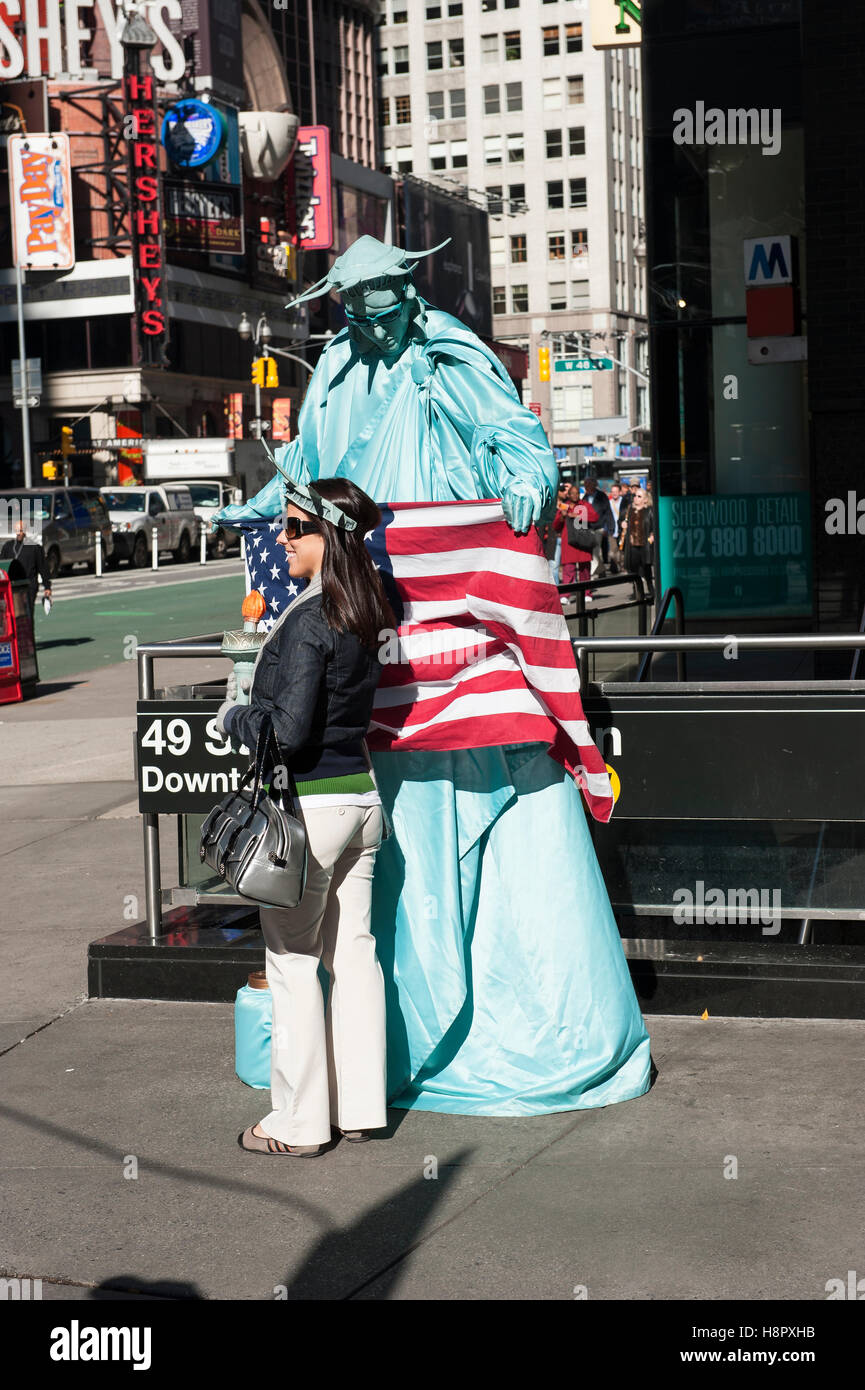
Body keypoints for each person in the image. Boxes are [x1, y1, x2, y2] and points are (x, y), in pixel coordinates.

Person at [216, 235, 651, 1119]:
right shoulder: (335, 363)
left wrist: (528, 477)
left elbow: (512, 434)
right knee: (378, 860)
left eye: (374, 298)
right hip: (364, 620)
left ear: (405, 291)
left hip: (446, 629)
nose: (359, 315)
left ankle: (474, 1026)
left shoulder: (448, 353)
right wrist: (262, 504)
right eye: (348, 300)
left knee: (459, 794)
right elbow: (310, 470)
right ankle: (375, 1066)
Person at [217, 476, 397, 1157]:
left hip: (312, 807)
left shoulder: (312, 616)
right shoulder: (364, 607)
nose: (281, 538)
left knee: (292, 961)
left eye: (294, 527)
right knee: (353, 956)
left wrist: (234, 714)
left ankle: (296, 1124)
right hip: (364, 801)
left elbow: (287, 734)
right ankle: (358, 1106)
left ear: (327, 537)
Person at [554, 484, 600, 595]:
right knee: (568, 569)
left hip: (583, 541)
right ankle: (566, 595)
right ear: (568, 495)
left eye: (577, 493)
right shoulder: (564, 506)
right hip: (569, 542)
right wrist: (562, 517)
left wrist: (579, 515)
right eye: (572, 493)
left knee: (585, 569)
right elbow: (555, 526)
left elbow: (595, 517)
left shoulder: (585, 505)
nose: (575, 495)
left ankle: (587, 593)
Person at [1, 518, 52, 612]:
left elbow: (43, 567)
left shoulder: (34, 547)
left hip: (29, 586)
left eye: (20, 530)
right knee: (13, 613)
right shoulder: (8, 547)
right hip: (12, 586)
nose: (18, 533)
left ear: (25, 531)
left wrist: (47, 587)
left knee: (28, 612)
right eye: (16, 530)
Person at [618, 486, 655, 598]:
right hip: (632, 545)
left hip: (645, 545)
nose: (636, 498)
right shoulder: (629, 511)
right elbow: (620, 520)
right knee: (634, 571)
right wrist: (621, 524)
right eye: (635, 496)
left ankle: (652, 592)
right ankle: (637, 592)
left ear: (645, 499)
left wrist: (652, 536)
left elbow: (654, 526)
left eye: (639, 496)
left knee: (647, 570)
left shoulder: (649, 511)